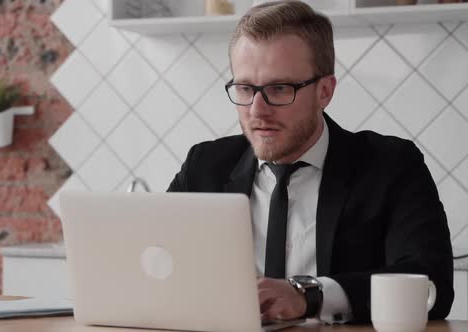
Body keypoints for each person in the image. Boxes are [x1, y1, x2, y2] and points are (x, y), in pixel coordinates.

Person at [167, 0, 453, 324]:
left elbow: (433, 284)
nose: (257, 110)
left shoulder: (391, 166)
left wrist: (309, 296)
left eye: (279, 88)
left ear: (325, 91)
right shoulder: (204, 165)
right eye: (245, 88)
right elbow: (153, 262)